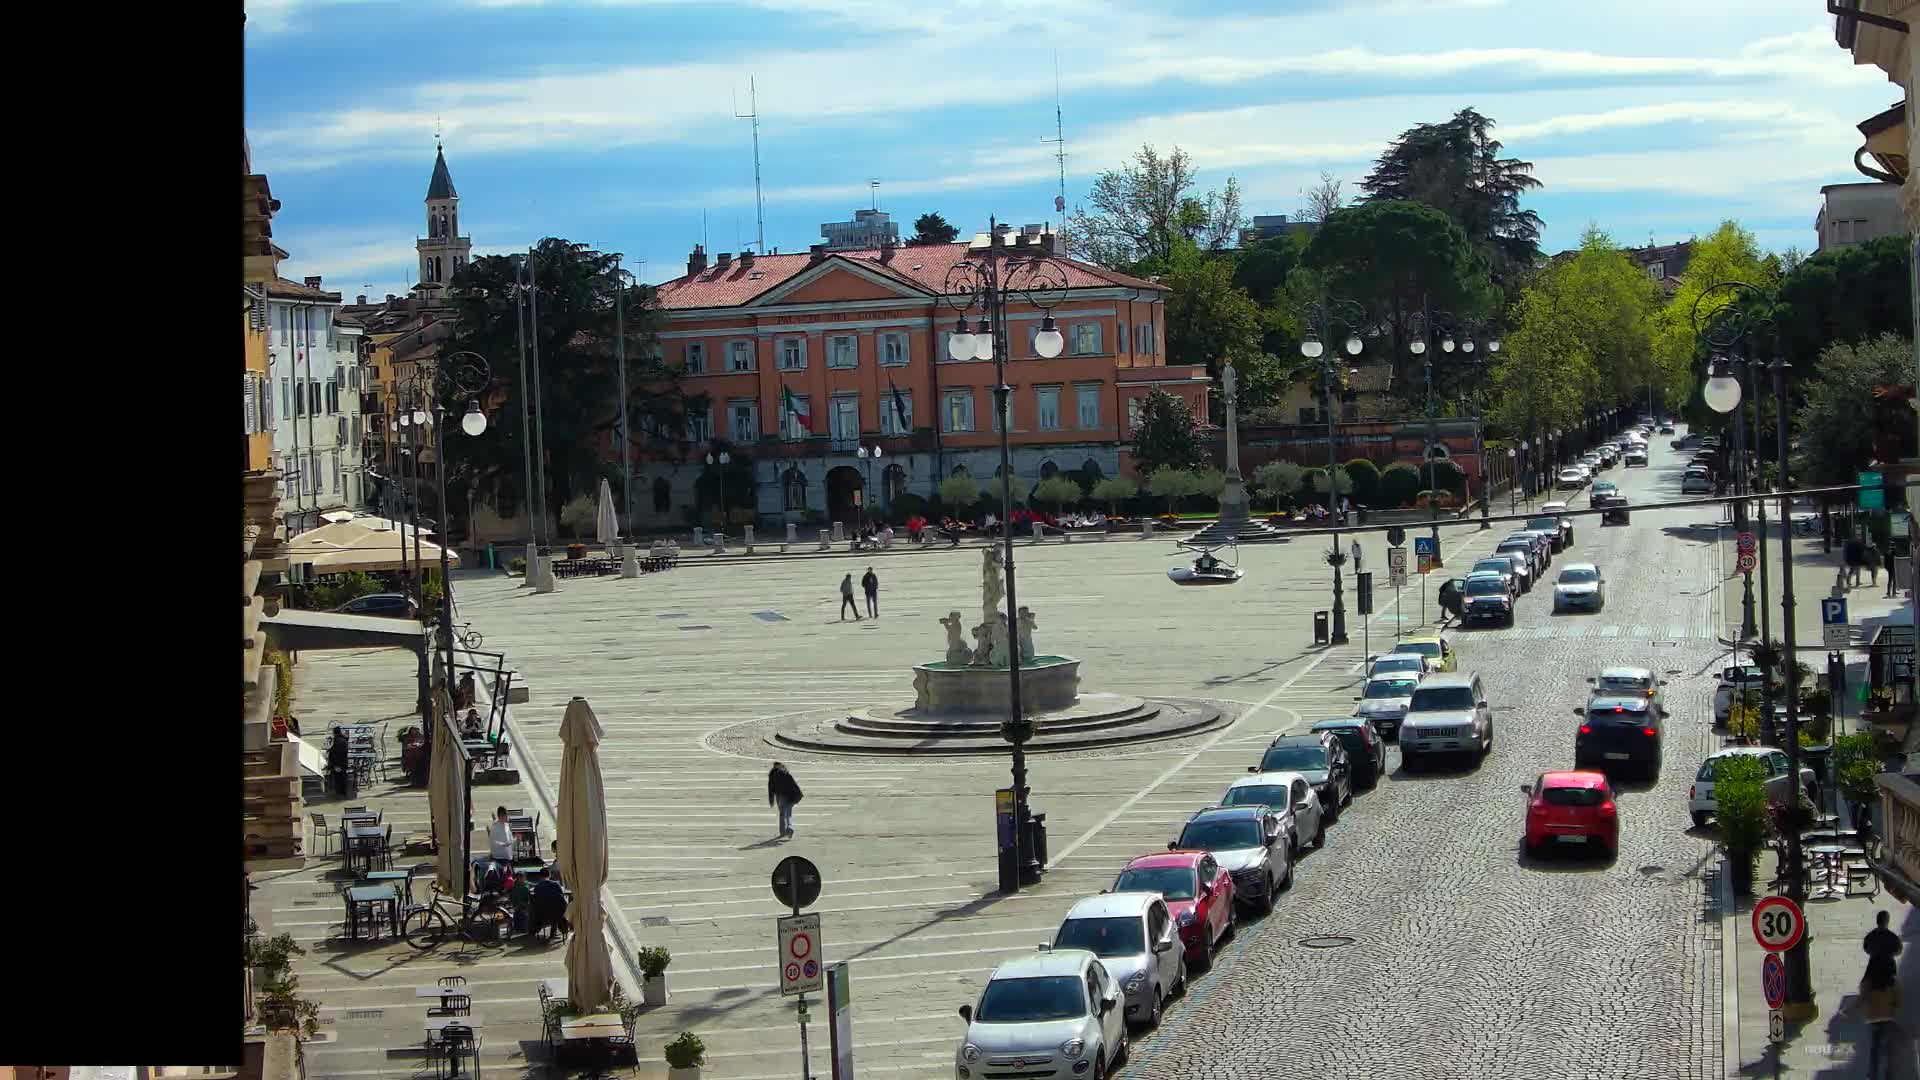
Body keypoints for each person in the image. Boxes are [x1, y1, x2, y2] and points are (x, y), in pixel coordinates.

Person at [1858, 959, 1903, 1079]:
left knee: (1874, 1050)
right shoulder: (1892, 982)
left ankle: (1872, 1075)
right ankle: (1889, 1075)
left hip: (1872, 1019)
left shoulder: (1867, 983)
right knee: (1889, 1050)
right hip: (1888, 1018)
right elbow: (1897, 1002)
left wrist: (1846, 1011)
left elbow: (1861, 999)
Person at [528, 869, 571, 942]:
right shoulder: (556, 885)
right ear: (550, 875)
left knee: (548, 907)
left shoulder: (538, 887)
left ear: (540, 876)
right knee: (555, 908)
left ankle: (545, 933)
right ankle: (557, 932)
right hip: (557, 915)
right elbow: (562, 901)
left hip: (542, 916)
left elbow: (535, 903)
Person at [768, 761, 803, 839]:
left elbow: (770, 788)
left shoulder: (772, 775)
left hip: (779, 796)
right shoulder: (786, 774)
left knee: (782, 814)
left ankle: (782, 832)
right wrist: (799, 795)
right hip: (789, 796)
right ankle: (790, 828)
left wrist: (771, 800)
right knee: (789, 814)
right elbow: (794, 785)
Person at [1865, 909, 1904, 974]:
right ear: (1887, 921)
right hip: (1888, 969)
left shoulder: (1870, 936)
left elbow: (1866, 949)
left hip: (1874, 968)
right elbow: (1898, 951)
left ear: (1877, 921)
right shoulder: (1893, 937)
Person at [327, 725, 353, 798]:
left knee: (339, 779)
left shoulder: (338, 740)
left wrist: (334, 764)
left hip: (339, 764)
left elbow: (336, 753)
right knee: (342, 778)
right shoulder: (342, 740)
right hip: (342, 763)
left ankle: (341, 793)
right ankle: (342, 793)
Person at [487, 806, 515, 873]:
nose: (507, 817)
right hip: (499, 858)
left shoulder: (506, 825)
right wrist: (504, 844)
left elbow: (510, 839)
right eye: (506, 815)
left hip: (507, 857)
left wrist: (515, 839)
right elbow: (493, 841)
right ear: (501, 816)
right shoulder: (495, 827)